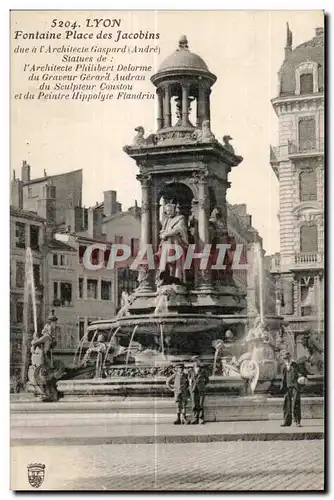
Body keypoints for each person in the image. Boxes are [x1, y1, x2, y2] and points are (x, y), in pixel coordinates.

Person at [156, 203, 189, 283]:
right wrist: (162, 235)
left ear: (174, 210)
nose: (169, 213)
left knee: (171, 238)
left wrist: (166, 234)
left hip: (177, 243)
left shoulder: (180, 218)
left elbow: (178, 229)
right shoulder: (167, 220)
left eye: (170, 211)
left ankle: (175, 275)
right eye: (167, 211)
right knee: (167, 243)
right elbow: (162, 231)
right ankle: (165, 272)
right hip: (167, 244)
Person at [280, 351, 304, 427]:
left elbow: (302, 374)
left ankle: (297, 421)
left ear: (290, 357)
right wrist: (282, 387)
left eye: (287, 358)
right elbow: (283, 378)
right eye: (284, 358)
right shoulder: (283, 367)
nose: (286, 359)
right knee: (286, 404)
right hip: (287, 387)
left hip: (295, 387)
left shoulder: (296, 365)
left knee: (296, 403)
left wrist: (301, 378)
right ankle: (287, 422)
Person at [188, 356, 210, 424]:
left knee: (201, 404)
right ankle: (195, 418)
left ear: (199, 362)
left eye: (197, 361)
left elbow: (207, 380)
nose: (196, 362)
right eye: (194, 361)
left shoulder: (203, 370)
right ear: (193, 363)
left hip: (201, 389)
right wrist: (191, 385)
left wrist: (202, 385)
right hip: (193, 389)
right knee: (194, 404)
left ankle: (201, 418)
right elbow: (189, 379)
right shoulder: (190, 371)